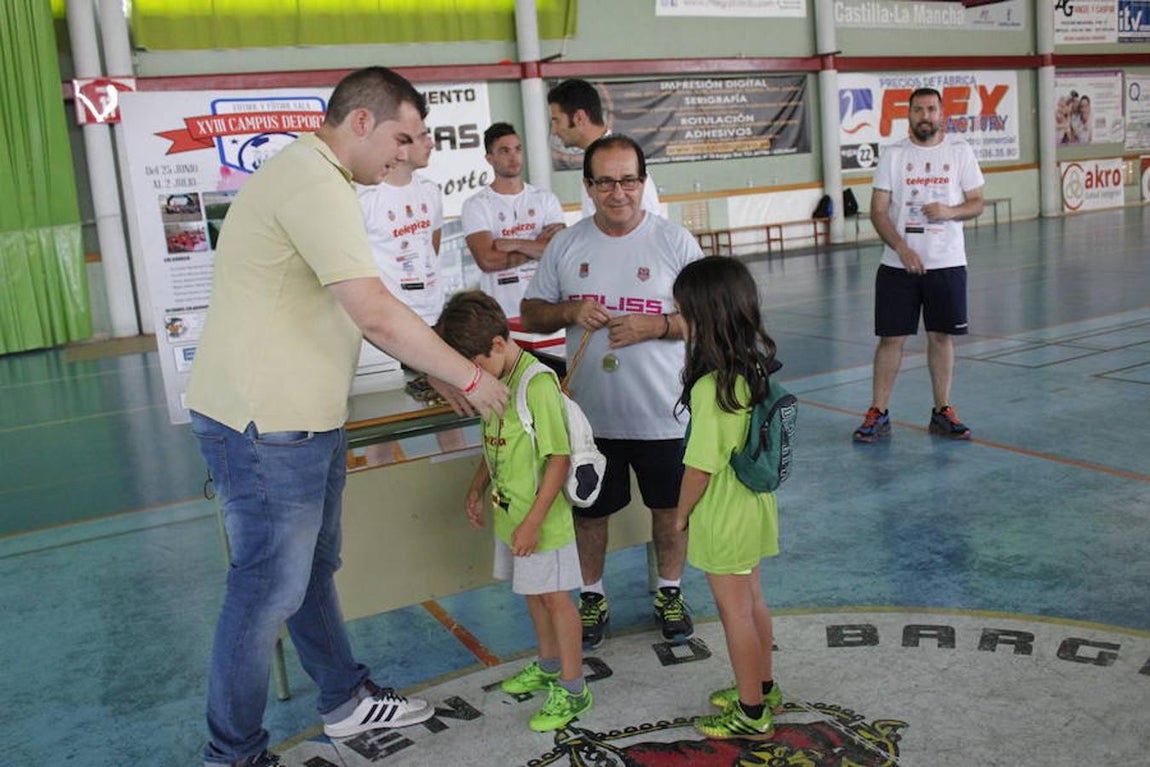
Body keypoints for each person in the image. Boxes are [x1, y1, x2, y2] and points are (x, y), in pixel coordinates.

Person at [185, 66, 507, 767]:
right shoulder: (312, 181)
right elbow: (373, 310)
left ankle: (344, 698)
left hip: (302, 415)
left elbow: (348, 306)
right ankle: (232, 754)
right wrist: (472, 376)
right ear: (360, 121)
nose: (407, 154)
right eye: (401, 137)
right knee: (266, 590)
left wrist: (431, 368)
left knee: (309, 570)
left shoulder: (321, 182)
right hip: (266, 423)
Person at [520, 134, 703, 649]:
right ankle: (594, 597)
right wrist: (568, 312)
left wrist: (659, 327)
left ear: (643, 184)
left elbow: (711, 316)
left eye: (627, 180)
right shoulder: (567, 244)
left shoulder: (675, 242)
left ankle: (669, 591)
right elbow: (532, 313)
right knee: (590, 513)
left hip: (664, 415)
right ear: (588, 186)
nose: (617, 192)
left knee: (670, 511)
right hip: (590, 420)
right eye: (605, 181)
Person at [435, 290, 592, 732]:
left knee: (556, 599)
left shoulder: (536, 383)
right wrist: (477, 486)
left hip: (540, 522)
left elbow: (558, 458)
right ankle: (547, 664)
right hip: (513, 516)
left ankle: (575, 687)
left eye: (476, 365)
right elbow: (496, 439)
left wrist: (533, 522)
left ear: (500, 345)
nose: (474, 379)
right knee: (534, 595)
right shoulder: (496, 379)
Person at [670, 256, 784, 741]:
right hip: (754, 505)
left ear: (705, 316)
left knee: (733, 611)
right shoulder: (751, 365)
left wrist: (679, 516)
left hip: (722, 511)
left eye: (683, 313)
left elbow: (700, 466)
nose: (678, 321)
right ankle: (763, 684)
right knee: (753, 599)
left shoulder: (711, 385)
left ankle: (751, 712)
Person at [853, 87, 984, 444]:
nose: (925, 115)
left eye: (931, 109)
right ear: (908, 114)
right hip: (898, 266)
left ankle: (942, 411)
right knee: (891, 339)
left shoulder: (959, 151)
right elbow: (878, 211)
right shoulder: (894, 155)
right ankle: (878, 412)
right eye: (918, 110)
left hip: (948, 263)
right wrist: (902, 248)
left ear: (942, 113)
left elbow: (976, 203)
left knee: (941, 336)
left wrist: (950, 211)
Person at [461, 122, 566, 319]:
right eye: (504, 151)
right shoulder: (476, 205)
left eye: (517, 149)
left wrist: (513, 244)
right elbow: (488, 260)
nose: (513, 156)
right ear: (489, 158)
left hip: (545, 309)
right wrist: (538, 248)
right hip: (501, 315)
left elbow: (559, 251)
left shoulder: (546, 199)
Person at [356, 116, 444, 325]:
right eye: (422, 136)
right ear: (399, 145)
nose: (431, 143)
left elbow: (432, 246)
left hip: (434, 314)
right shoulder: (364, 197)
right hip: (389, 322)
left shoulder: (430, 190)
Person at [546, 79, 662, 219]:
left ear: (579, 118)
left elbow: (650, 224)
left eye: (556, 120)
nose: (554, 130)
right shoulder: (593, 161)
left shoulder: (626, 162)